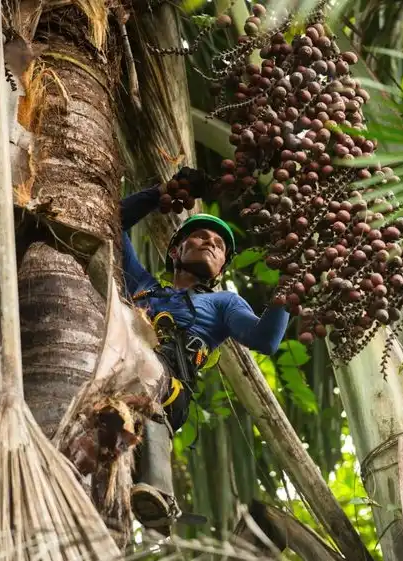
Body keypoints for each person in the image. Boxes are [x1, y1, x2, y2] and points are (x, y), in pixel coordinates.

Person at [118, 167, 290, 533]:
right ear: (176, 251)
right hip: (118, 368)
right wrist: (160, 193)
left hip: (165, 385)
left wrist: (291, 287)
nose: (211, 242)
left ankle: (159, 494)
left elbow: (266, 340)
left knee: (146, 371)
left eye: (219, 244)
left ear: (221, 266)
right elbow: (110, 224)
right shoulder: (144, 286)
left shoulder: (224, 303)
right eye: (199, 236)